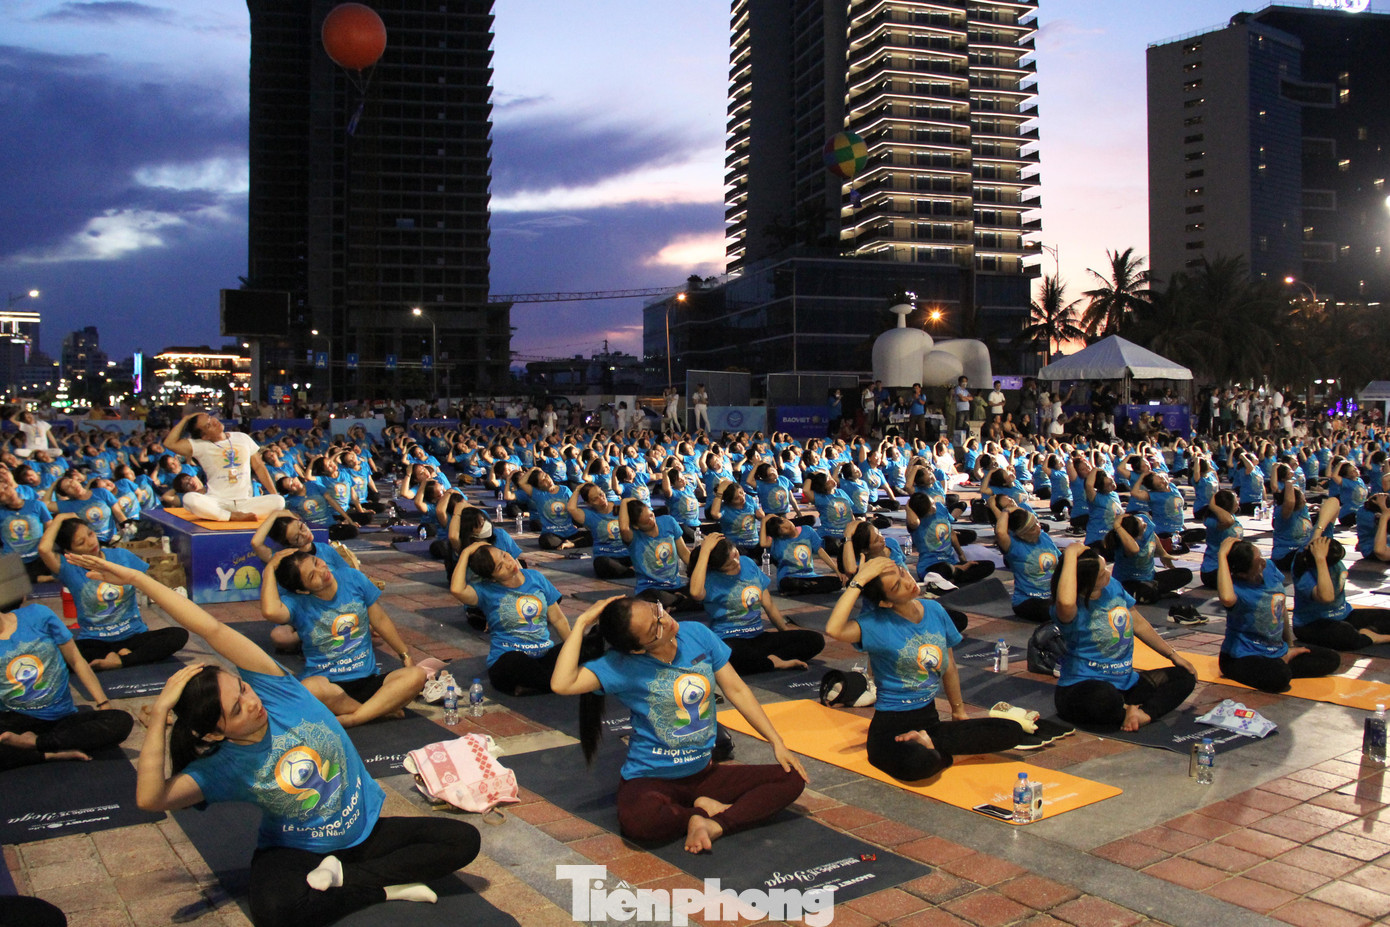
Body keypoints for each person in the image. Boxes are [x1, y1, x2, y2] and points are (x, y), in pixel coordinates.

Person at [74, 554, 479, 927]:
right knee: (276, 913)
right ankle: (382, 888)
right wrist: (160, 713)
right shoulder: (223, 767)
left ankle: (346, 877)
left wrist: (136, 578)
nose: (251, 703)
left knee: (461, 840)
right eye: (236, 709)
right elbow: (150, 799)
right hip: (297, 852)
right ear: (215, 733)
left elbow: (209, 627)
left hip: (365, 832)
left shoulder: (278, 692)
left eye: (243, 690)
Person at [549, 595, 808, 854]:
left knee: (792, 778)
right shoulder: (622, 665)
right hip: (651, 778)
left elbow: (737, 690)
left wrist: (776, 741)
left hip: (703, 772)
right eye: (655, 628)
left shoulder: (696, 634)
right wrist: (582, 621)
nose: (666, 620)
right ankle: (695, 814)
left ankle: (716, 825)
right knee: (639, 823)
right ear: (638, 648)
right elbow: (562, 683)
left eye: (657, 610)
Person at [824, 557, 1026, 780]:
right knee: (919, 764)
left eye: (902, 573)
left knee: (1012, 731)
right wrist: (859, 580)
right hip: (891, 728)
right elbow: (834, 629)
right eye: (896, 586)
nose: (908, 582)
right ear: (886, 602)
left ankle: (933, 745)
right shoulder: (876, 624)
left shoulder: (934, 609)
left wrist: (958, 711)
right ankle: (936, 753)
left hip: (930, 722)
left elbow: (948, 666)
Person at [259, 550, 426, 727]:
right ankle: (377, 710)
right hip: (328, 685)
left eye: (316, 562)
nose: (322, 571)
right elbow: (270, 611)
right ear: (302, 590)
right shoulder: (297, 602)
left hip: (367, 679)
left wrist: (405, 654)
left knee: (417, 675)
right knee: (310, 689)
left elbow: (380, 620)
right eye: (312, 576)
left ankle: (355, 717)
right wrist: (270, 567)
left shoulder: (352, 578)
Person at [0, 554, 133, 770]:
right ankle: (50, 754)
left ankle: (36, 745)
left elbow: (76, 660)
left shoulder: (38, 615)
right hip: (14, 722)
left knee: (120, 721)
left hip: (62, 720)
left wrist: (103, 703)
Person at [1051, 545, 1195, 731]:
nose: (1108, 574)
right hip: (1082, 688)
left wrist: (1172, 654)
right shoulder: (1067, 609)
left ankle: (1141, 714)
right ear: (1085, 583)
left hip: (1127, 685)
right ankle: (1126, 710)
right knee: (1104, 698)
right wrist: (1070, 553)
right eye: (1102, 574)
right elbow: (1065, 600)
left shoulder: (1112, 586)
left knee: (1185, 676)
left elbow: (1139, 622)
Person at [38, 514, 188, 670]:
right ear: (69, 550)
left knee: (178, 635)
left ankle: (121, 660)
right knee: (55, 654)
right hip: (94, 641)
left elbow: (152, 586)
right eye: (81, 542)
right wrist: (59, 518)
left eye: (90, 534)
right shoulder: (68, 568)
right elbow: (44, 549)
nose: (90, 543)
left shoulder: (121, 556)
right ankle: (125, 655)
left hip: (133, 635)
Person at [1215, 537, 1341, 693]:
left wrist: (1289, 644)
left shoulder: (1269, 568)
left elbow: (1280, 607)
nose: (1263, 562)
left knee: (1331, 659)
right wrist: (1221, 555)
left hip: (1275, 651)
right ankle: (1280, 663)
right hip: (1241, 657)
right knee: (1280, 676)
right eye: (1257, 562)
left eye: (1260, 556)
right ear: (1242, 573)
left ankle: (1280, 661)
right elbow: (1226, 598)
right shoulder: (1236, 589)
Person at [688, 533, 824, 675]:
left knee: (815, 640)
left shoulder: (748, 563)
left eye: (735, 554)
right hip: (730, 640)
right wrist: (705, 551)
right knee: (728, 656)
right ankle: (773, 663)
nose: (736, 561)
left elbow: (768, 604)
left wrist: (785, 632)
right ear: (718, 567)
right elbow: (695, 593)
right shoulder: (709, 577)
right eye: (729, 564)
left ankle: (765, 661)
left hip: (759, 637)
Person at [450, 542, 571, 694]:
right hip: (510, 660)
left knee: (589, 643)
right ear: (492, 578)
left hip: (544, 655)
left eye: (505, 556)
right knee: (513, 662)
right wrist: (466, 552)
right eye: (500, 567)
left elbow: (558, 620)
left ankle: (540, 685)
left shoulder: (535, 578)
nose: (508, 563)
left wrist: (573, 649)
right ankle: (561, 682)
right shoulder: (486, 591)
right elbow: (456, 589)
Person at [163, 412, 285, 522]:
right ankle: (229, 516)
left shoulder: (242, 437)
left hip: (245, 502)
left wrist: (274, 494)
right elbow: (169, 443)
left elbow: (259, 467)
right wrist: (186, 418)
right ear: (204, 436)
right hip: (217, 502)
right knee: (189, 499)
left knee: (279, 501)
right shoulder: (200, 445)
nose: (214, 422)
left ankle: (230, 515)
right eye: (208, 425)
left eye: (211, 418)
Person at [1292, 536, 1390, 650]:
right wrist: (1320, 560)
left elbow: (1325, 521)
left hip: (1344, 615)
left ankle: (1365, 633)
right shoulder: (1302, 570)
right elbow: (1327, 597)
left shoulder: (1334, 559)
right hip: (1311, 624)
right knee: (1344, 633)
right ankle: (1373, 637)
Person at [994, 501, 1060, 623]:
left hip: (1052, 595)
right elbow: (1000, 532)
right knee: (1054, 610)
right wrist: (1006, 511)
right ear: (1021, 534)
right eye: (1032, 528)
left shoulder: (1044, 537)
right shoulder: (1013, 545)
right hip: (1027, 601)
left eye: (1037, 523)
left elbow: (1061, 559)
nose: (1038, 528)